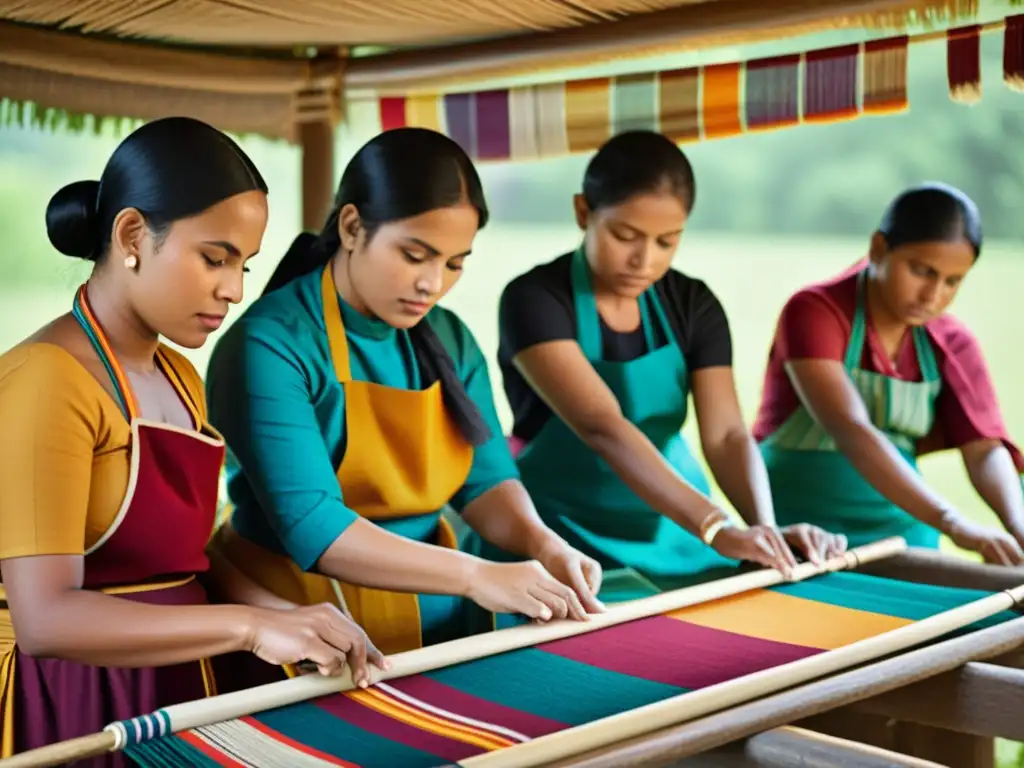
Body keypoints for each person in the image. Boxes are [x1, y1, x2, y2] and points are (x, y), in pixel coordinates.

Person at [0, 117, 383, 764]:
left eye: (244, 265)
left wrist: (295, 617)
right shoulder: (45, 381)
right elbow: (47, 620)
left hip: (181, 688)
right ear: (131, 236)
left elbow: (190, 557)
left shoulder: (180, 378)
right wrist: (252, 627)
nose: (234, 290)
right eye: (214, 258)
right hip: (75, 705)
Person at [205, 127, 604, 671]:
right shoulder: (269, 345)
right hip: (303, 629)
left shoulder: (452, 339)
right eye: (415, 255)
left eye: (455, 263)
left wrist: (543, 544)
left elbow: (484, 483)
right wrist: (476, 575)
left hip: (436, 621)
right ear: (352, 227)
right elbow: (316, 528)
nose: (432, 284)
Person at [488, 130, 846, 599]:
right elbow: (602, 427)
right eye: (625, 236)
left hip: (676, 529)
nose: (644, 260)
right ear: (583, 212)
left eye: (667, 241)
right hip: (557, 535)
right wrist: (717, 528)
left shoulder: (694, 305)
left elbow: (726, 435)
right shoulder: (534, 299)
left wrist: (765, 530)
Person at [754, 181, 1024, 565]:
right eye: (921, 271)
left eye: (952, 281)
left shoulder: (952, 342)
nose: (933, 295)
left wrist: (1017, 525)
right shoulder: (814, 311)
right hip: (799, 531)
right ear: (879, 248)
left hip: (903, 530)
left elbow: (984, 449)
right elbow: (850, 427)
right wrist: (954, 523)